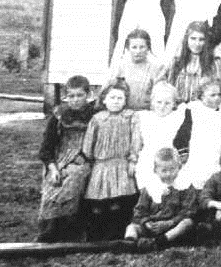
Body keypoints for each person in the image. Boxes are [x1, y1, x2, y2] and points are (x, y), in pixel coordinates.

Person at [37, 75, 96, 242]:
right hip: (60, 160)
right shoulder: (58, 116)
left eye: (80, 95)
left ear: (88, 95)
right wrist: (53, 167)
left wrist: (84, 158)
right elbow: (46, 148)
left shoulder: (94, 116)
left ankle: (70, 230)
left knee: (74, 178)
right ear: (65, 97)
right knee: (53, 183)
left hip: (83, 159)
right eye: (71, 96)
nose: (75, 100)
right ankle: (49, 229)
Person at [81, 81, 141, 241]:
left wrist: (132, 160)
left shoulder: (131, 117)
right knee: (98, 204)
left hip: (121, 164)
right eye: (112, 97)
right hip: (101, 166)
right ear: (104, 100)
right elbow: (88, 145)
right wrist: (91, 161)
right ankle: (96, 237)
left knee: (118, 203)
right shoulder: (97, 119)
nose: (116, 101)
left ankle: (116, 236)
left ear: (125, 101)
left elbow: (136, 141)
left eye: (120, 98)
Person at [123, 147, 197, 252]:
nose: (168, 174)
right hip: (152, 226)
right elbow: (139, 210)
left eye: (172, 169)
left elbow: (189, 211)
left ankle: (159, 242)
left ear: (179, 167)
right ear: (156, 170)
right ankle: (130, 244)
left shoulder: (185, 186)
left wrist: (170, 222)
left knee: (187, 223)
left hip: (172, 227)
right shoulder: (150, 187)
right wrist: (146, 223)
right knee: (132, 227)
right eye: (164, 171)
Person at [173, 79, 221, 190]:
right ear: (202, 96)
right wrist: (184, 153)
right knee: (195, 178)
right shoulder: (193, 110)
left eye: (219, 94)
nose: (217, 98)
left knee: (217, 178)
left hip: (218, 150)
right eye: (212, 95)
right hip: (198, 150)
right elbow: (182, 135)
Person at [134, 81, 184, 189]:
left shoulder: (177, 116)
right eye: (159, 102)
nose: (162, 106)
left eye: (167, 103)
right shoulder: (144, 117)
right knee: (149, 192)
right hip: (148, 159)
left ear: (174, 104)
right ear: (152, 102)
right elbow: (137, 143)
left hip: (169, 159)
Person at [167, 21, 221, 104]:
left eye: (201, 39)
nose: (197, 43)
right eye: (193, 38)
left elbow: (217, 92)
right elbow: (169, 89)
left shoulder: (214, 63)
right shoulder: (177, 62)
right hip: (179, 110)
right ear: (186, 39)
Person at [110, 29, 165, 110]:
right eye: (134, 47)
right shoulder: (120, 66)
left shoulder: (157, 68)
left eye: (142, 47)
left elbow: (161, 94)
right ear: (128, 48)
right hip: (122, 111)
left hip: (148, 112)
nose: (138, 51)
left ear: (148, 48)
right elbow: (109, 91)